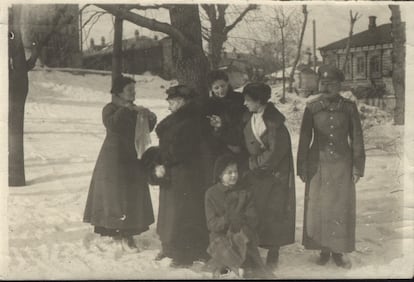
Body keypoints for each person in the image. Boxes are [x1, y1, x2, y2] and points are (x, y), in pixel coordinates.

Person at [297, 64, 365, 269]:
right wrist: (302, 166)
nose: (327, 87)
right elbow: (304, 139)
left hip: (342, 166)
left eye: (332, 84)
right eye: (323, 83)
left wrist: (357, 167)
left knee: (340, 208)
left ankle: (338, 251)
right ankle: (322, 249)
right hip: (318, 164)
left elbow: (357, 138)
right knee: (319, 208)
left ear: (340, 85)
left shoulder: (349, 107)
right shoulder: (312, 108)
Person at [83, 75, 157, 252]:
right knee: (115, 196)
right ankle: (116, 233)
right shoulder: (109, 108)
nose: (133, 93)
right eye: (129, 90)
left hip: (132, 156)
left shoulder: (133, 109)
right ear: (118, 93)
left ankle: (128, 235)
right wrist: (126, 109)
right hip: (113, 158)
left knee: (131, 195)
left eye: (134, 90)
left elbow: (146, 129)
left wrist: (150, 116)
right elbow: (113, 124)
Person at [152, 85, 209, 267]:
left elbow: (182, 150)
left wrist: (162, 161)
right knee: (171, 212)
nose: (169, 103)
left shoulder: (191, 120)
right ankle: (170, 248)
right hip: (174, 171)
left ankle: (184, 254)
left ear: (182, 101)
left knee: (183, 214)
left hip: (186, 172)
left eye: (172, 100)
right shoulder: (179, 118)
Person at [241, 82, 296, 269]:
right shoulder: (252, 117)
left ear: (258, 101)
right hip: (259, 174)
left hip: (274, 175)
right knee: (258, 209)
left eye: (248, 100)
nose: (245, 104)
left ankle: (274, 250)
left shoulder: (274, 123)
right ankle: (258, 245)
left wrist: (253, 164)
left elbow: (275, 153)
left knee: (274, 211)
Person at [205, 154, 273, 279]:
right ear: (220, 175)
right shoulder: (211, 194)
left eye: (235, 171)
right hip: (221, 237)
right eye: (229, 172)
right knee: (223, 255)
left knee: (253, 265)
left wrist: (239, 223)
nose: (234, 175)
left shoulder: (244, 192)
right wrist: (227, 219)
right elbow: (212, 224)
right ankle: (234, 268)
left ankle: (240, 268)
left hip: (242, 235)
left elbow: (253, 218)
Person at [200, 70, 247, 188]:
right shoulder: (208, 105)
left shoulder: (239, 100)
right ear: (211, 89)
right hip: (217, 149)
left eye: (223, 86)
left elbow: (242, 124)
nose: (220, 90)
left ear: (228, 83)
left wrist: (224, 125)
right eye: (216, 88)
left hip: (236, 146)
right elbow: (207, 131)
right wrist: (217, 128)